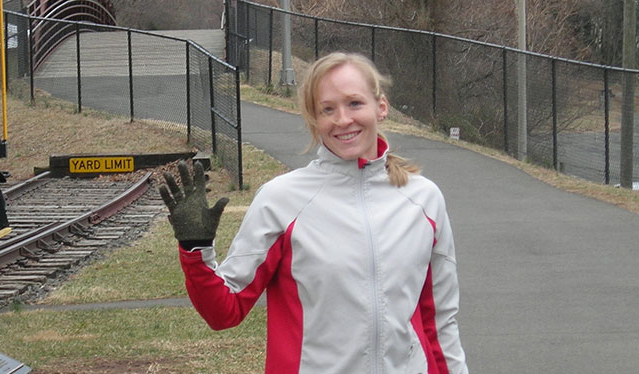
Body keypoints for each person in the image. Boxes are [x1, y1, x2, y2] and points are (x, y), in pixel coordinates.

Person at [159, 52, 468, 374]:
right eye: (327, 109)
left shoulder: (423, 200)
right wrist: (195, 249)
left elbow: (440, 321)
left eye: (355, 103)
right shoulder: (282, 201)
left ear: (381, 106)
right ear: (313, 119)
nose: (343, 120)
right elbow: (225, 311)